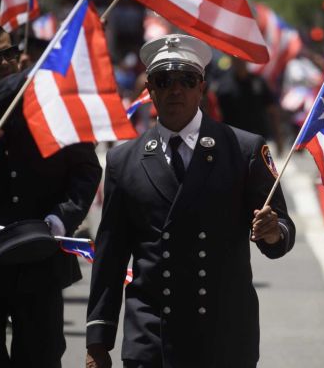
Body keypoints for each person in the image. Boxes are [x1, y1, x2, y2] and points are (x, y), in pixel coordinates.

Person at [85, 34, 296, 368]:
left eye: (187, 79)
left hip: (222, 331)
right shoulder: (123, 160)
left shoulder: (242, 149)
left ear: (202, 87)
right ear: (150, 89)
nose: (176, 89)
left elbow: (282, 227)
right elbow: (110, 256)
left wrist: (272, 231)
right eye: (164, 80)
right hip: (152, 332)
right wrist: (98, 341)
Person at [0, 21, 102, 368]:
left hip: (41, 261)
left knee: (41, 357)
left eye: (9, 54)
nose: (3, 64)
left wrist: (60, 218)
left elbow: (86, 169)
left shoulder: (51, 105)